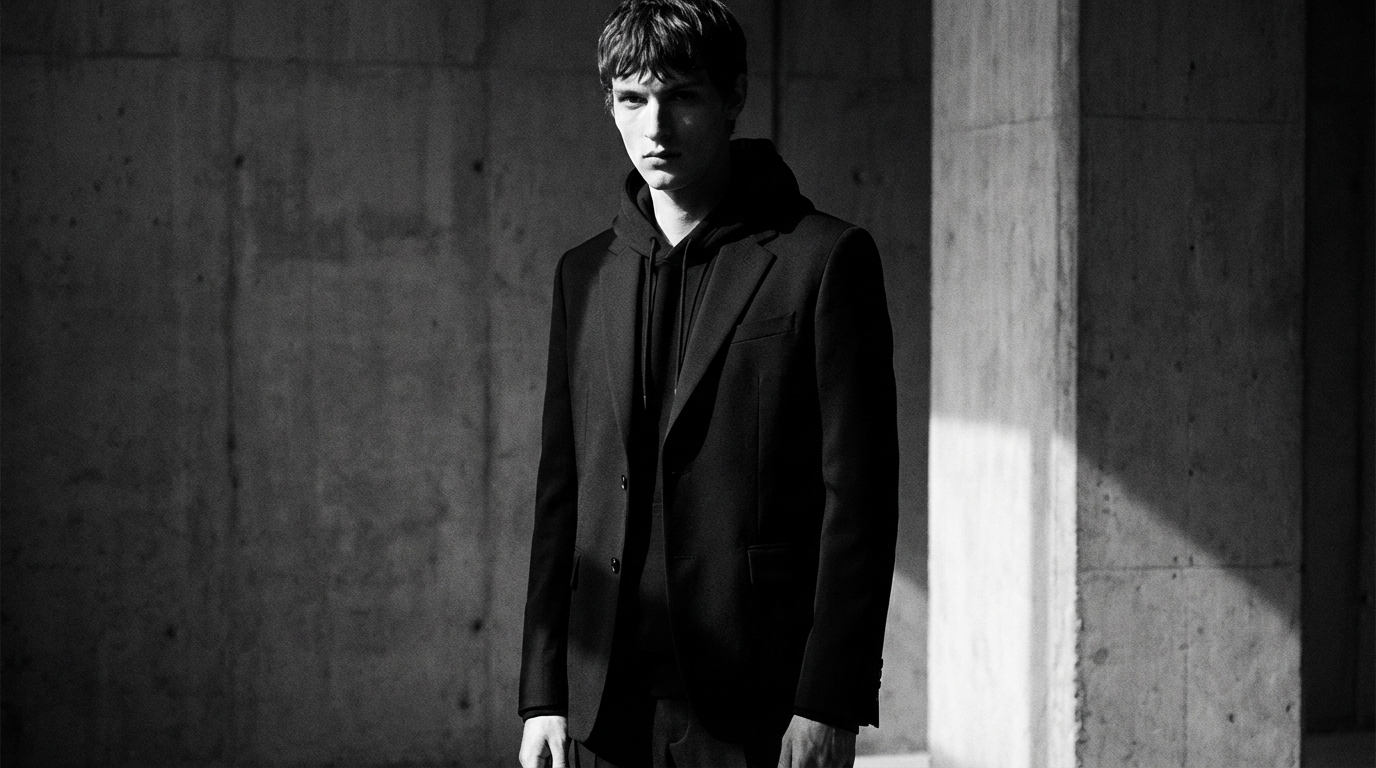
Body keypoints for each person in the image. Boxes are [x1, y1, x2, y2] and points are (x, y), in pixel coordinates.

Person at [517, 1, 899, 766]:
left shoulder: (823, 261)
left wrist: (829, 701)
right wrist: (544, 692)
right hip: (603, 704)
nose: (656, 126)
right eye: (633, 99)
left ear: (734, 97)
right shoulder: (583, 273)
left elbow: (858, 500)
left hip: (757, 705)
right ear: (609, 106)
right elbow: (563, 491)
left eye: (683, 96)